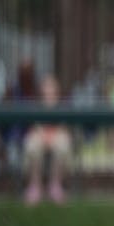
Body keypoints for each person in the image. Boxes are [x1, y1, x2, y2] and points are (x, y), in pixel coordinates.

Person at [21, 74, 72, 205]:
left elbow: (64, 126)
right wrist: (44, 136)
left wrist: (52, 136)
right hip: (39, 136)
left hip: (57, 136)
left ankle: (55, 185)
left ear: (57, 89)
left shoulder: (63, 106)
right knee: (32, 145)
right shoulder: (36, 105)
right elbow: (34, 126)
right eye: (46, 87)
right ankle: (35, 186)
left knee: (62, 144)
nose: (49, 90)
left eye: (52, 87)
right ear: (42, 89)